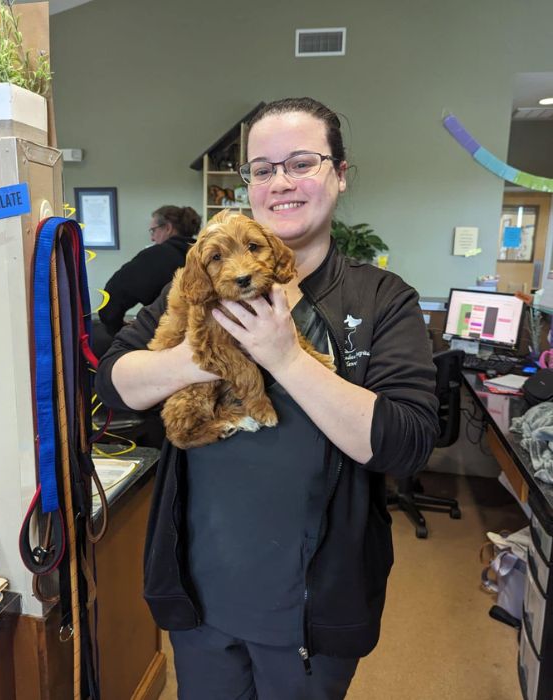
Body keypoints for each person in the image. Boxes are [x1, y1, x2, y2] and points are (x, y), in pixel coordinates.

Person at [95, 97, 439, 699]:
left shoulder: (382, 299)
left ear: (339, 173)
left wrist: (284, 356)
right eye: (262, 169)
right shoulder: (193, 284)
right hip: (202, 594)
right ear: (247, 185)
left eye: (302, 162)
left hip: (313, 605)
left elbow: (405, 443)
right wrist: (196, 358)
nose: (280, 182)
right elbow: (116, 381)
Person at [98, 205, 201, 336]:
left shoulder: (155, 256)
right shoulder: (203, 256)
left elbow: (111, 299)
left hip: (163, 340)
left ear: (168, 228)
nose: (152, 238)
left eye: (153, 230)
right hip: (200, 338)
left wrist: (118, 330)